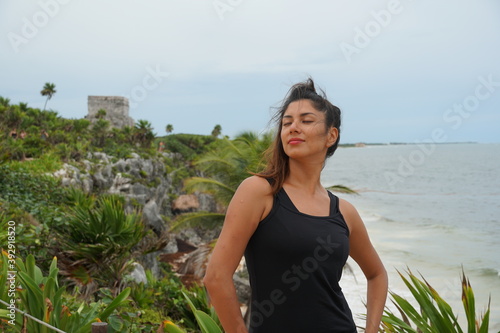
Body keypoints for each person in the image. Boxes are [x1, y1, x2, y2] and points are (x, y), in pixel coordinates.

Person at [203, 78, 388, 333]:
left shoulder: (344, 212)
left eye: (307, 120)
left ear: (331, 135)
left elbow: (377, 274)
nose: (294, 127)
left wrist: (372, 330)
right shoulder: (259, 192)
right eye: (287, 122)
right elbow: (215, 277)